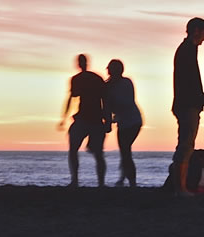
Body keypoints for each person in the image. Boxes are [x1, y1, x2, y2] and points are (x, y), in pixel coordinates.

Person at [172, 17, 204, 196]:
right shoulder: (186, 51)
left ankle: (180, 188)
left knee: (186, 144)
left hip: (187, 103)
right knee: (185, 145)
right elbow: (190, 83)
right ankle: (180, 189)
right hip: (187, 105)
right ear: (196, 31)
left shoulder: (188, 50)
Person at [58, 53, 107, 187]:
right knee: (77, 150)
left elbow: (105, 99)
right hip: (86, 118)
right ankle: (77, 180)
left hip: (94, 118)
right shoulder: (84, 79)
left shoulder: (91, 78)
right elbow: (71, 98)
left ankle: (96, 183)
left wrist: (107, 119)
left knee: (95, 153)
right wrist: (63, 117)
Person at [104, 58, 143, 187]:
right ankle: (124, 178)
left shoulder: (125, 83)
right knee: (125, 151)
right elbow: (108, 106)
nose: (107, 70)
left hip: (132, 121)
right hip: (123, 121)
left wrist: (110, 119)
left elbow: (126, 102)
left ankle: (131, 182)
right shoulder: (109, 86)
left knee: (125, 150)